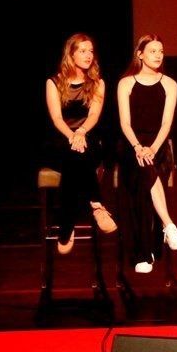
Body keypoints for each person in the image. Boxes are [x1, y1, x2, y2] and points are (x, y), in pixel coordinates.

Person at [116, 34, 177, 275]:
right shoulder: (126, 83)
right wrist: (138, 147)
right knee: (143, 169)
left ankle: (145, 253)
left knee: (148, 168)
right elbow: (125, 123)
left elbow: (166, 123)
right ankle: (168, 226)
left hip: (158, 145)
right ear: (140, 54)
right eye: (153, 51)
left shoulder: (170, 84)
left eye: (161, 51)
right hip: (132, 144)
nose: (158, 55)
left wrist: (153, 148)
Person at [43, 33, 116, 255]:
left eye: (91, 51)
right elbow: (57, 118)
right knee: (74, 154)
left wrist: (82, 131)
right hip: (61, 138)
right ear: (71, 54)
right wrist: (72, 135)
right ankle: (96, 204)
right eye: (82, 51)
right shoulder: (54, 82)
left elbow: (93, 115)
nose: (88, 55)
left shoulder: (98, 83)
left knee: (80, 154)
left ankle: (66, 225)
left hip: (88, 137)